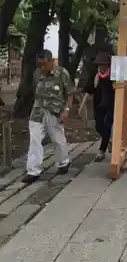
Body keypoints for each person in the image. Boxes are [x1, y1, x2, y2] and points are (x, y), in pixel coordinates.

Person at [22, 50, 74, 184]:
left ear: (51, 61)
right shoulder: (37, 73)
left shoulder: (62, 74)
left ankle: (63, 162)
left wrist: (66, 110)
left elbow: (69, 94)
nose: (42, 67)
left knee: (57, 139)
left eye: (44, 64)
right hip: (38, 111)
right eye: (40, 64)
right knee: (34, 140)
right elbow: (35, 91)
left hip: (55, 111)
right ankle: (33, 171)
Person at [79, 52, 115, 161]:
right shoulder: (95, 74)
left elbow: (121, 89)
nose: (102, 67)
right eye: (100, 64)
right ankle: (108, 140)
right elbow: (89, 91)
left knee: (108, 125)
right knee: (99, 127)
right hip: (98, 103)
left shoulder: (114, 73)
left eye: (104, 64)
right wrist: (82, 106)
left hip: (111, 104)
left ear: (108, 65)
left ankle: (101, 151)